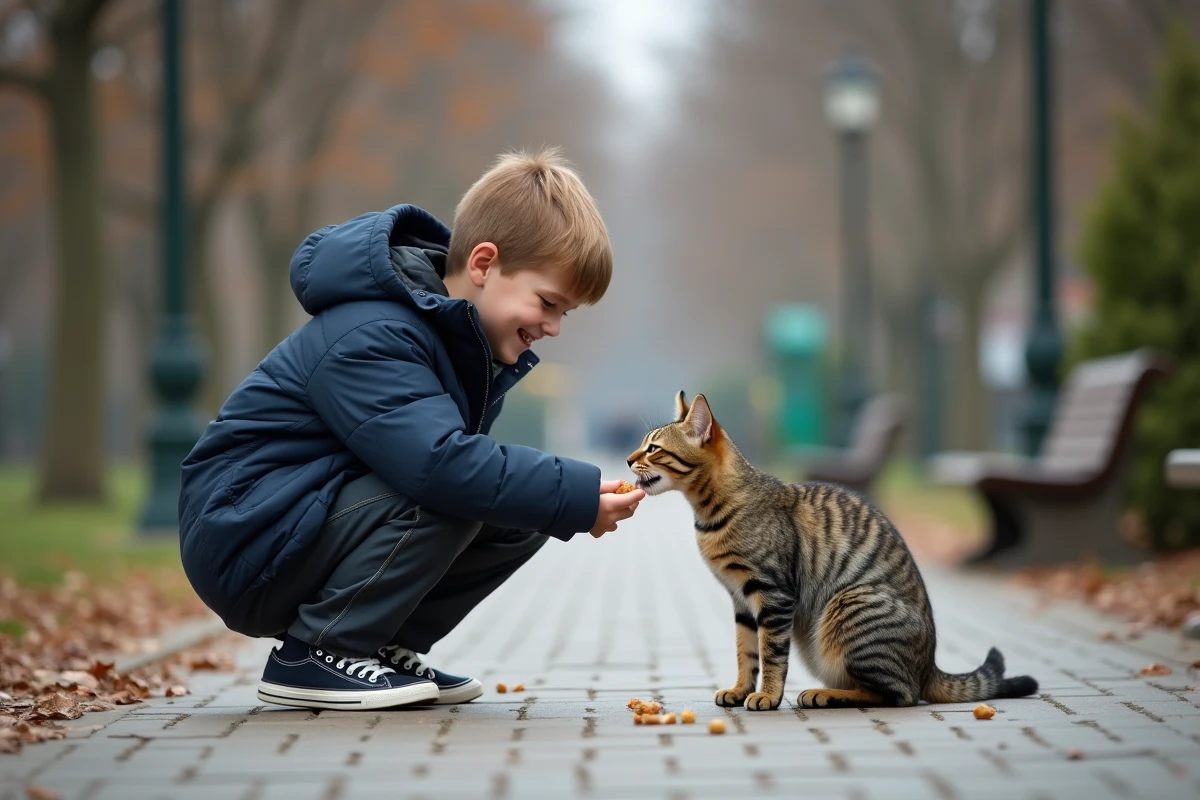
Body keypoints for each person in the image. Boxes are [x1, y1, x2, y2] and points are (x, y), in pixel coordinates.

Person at [177, 148, 644, 710]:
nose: (554, 327)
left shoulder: (457, 344)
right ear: (482, 264)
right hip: (246, 533)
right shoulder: (374, 331)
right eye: (548, 302)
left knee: (520, 509)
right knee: (461, 488)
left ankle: (375, 644)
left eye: (566, 312)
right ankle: (318, 653)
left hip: (293, 521)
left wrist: (557, 498)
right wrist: (569, 494)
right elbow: (437, 466)